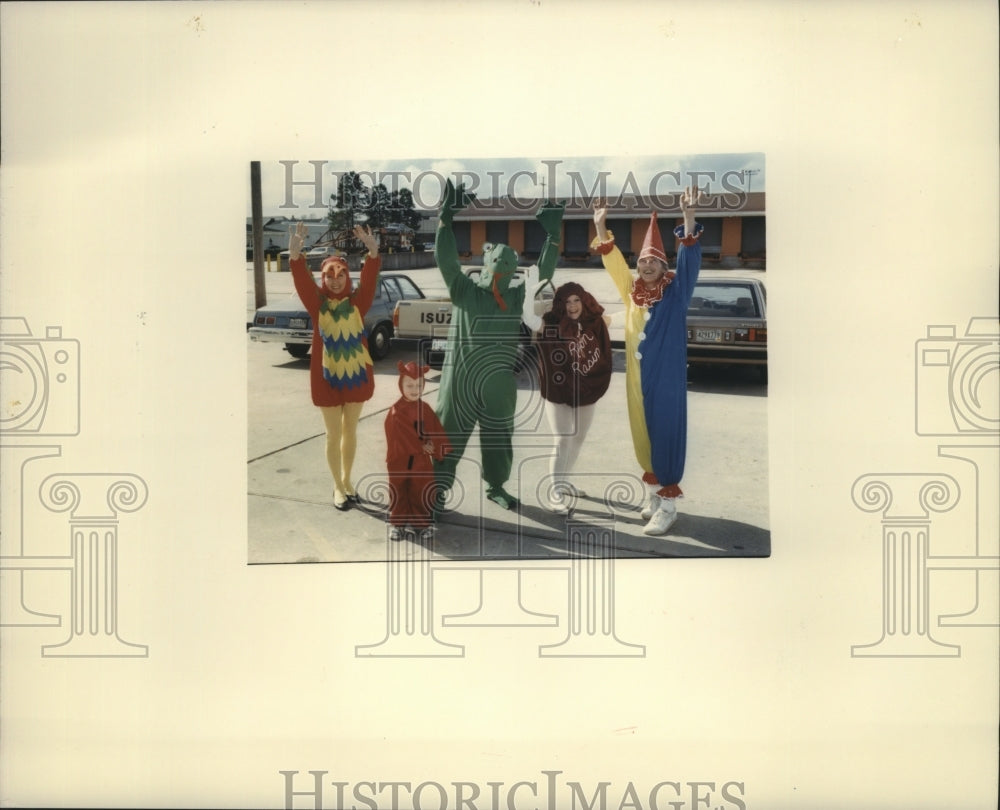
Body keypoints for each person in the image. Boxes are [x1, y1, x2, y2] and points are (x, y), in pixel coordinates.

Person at [432, 180, 565, 511]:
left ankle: (496, 486)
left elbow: (544, 273)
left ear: (513, 266)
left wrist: (554, 238)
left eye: (511, 258)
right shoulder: (464, 289)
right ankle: (435, 490)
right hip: (459, 380)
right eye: (496, 254)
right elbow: (446, 259)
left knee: (498, 437)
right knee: (446, 436)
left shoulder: (518, 294)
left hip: (498, 382)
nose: (503, 258)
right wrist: (445, 221)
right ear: (485, 257)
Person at [591, 186, 704, 535]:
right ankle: (655, 494)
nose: (647, 265)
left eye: (654, 260)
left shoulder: (676, 292)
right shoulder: (631, 291)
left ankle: (669, 506)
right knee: (642, 431)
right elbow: (615, 266)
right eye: (643, 261)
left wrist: (688, 218)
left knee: (666, 431)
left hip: (666, 376)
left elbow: (690, 261)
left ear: (664, 264)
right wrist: (600, 227)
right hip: (637, 376)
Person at [288, 221, 380, 511]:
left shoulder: (358, 303)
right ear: (323, 279)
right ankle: (337, 487)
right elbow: (303, 283)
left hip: (355, 375)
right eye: (330, 275)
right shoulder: (318, 305)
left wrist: (373, 252)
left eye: (341, 275)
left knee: (350, 430)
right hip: (326, 377)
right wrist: (295, 257)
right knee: (333, 433)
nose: (336, 280)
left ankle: (347, 480)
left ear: (347, 277)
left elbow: (370, 279)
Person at [522, 277, 612, 513]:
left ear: (583, 301)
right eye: (567, 301)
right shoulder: (553, 323)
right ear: (560, 304)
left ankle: (563, 481)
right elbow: (530, 320)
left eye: (576, 300)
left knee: (579, 438)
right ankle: (554, 492)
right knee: (563, 440)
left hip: (586, 389)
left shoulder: (594, 322)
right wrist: (529, 294)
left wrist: (640, 311)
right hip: (559, 389)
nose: (572, 306)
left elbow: (620, 319)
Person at [384, 362, 452, 542]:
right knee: (398, 490)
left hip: (421, 461)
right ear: (401, 385)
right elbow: (398, 436)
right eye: (410, 385)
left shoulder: (425, 409)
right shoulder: (395, 412)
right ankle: (398, 524)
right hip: (400, 459)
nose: (415, 389)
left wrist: (433, 444)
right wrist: (421, 446)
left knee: (420, 490)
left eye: (419, 385)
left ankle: (421, 523)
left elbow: (435, 430)